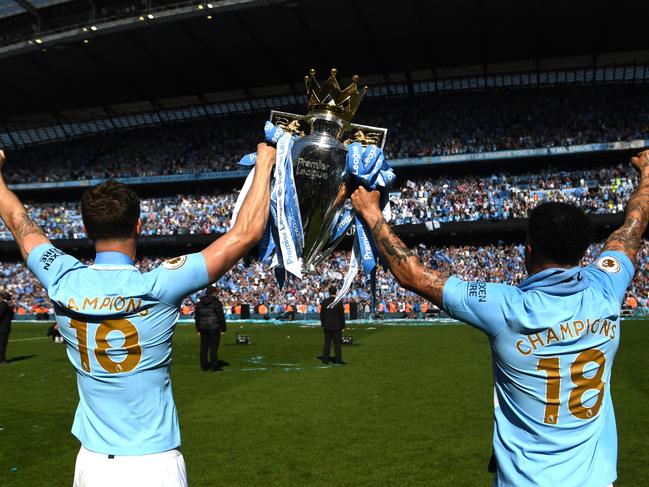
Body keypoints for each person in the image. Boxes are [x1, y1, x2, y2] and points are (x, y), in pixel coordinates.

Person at [350, 149, 649, 487]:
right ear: (583, 252)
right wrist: (647, 174)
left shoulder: (505, 306)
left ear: (528, 250)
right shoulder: (607, 287)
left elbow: (413, 275)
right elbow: (632, 228)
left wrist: (370, 211)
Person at [0, 145, 275, 487]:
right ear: (139, 226)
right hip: (153, 465)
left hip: (92, 463)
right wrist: (265, 162)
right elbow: (245, 234)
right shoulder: (159, 285)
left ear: (86, 230)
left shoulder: (60, 277)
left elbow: (19, 223)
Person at [194, 286, 227, 372]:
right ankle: (214, 366)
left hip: (203, 327)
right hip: (214, 327)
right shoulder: (216, 303)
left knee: (204, 347)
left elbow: (197, 318)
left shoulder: (199, 304)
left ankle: (204, 366)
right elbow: (220, 316)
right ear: (214, 293)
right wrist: (223, 328)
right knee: (213, 347)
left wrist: (198, 328)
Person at [319, 287, 346, 365]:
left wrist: (323, 324)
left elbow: (322, 315)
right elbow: (341, 315)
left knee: (327, 343)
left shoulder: (324, 302)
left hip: (327, 325)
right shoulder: (338, 302)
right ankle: (338, 360)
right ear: (336, 292)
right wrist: (343, 326)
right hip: (337, 325)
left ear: (329, 292)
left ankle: (325, 360)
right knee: (337, 344)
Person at [0, 291, 14, 363]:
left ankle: (1, 358)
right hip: (4, 327)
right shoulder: (8, 305)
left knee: (2, 344)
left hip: (2, 328)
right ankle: (2, 359)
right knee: (3, 344)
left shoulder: (3, 304)